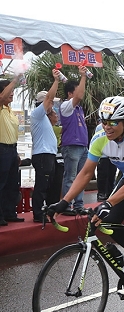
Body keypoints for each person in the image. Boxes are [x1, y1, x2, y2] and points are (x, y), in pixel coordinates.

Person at [46, 96, 124, 297]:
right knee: (106, 222)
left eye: (112, 122)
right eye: (104, 121)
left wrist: (108, 202)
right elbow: (85, 174)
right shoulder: (100, 137)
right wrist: (63, 202)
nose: (107, 127)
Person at [59, 65, 90, 215]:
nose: (80, 93)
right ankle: (66, 205)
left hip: (82, 146)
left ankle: (78, 205)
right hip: (72, 146)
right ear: (70, 93)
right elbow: (79, 96)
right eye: (77, 90)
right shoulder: (66, 106)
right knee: (71, 177)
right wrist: (83, 76)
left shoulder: (79, 109)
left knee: (81, 177)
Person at [30, 75, 61, 223]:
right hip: (42, 155)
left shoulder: (46, 119)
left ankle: (47, 210)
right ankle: (37, 214)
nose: (53, 106)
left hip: (48, 155)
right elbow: (49, 97)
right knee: (42, 185)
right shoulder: (37, 114)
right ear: (43, 103)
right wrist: (56, 80)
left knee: (49, 185)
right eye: (51, 103)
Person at [0, 76, 23, 226]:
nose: (12, 93)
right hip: (1, 149)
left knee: (11, 183)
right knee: (1, 183)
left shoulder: (9, 110)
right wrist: (15, 79)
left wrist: (17, 152)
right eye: (10, 90)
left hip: (12, 149)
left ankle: (9, 213)